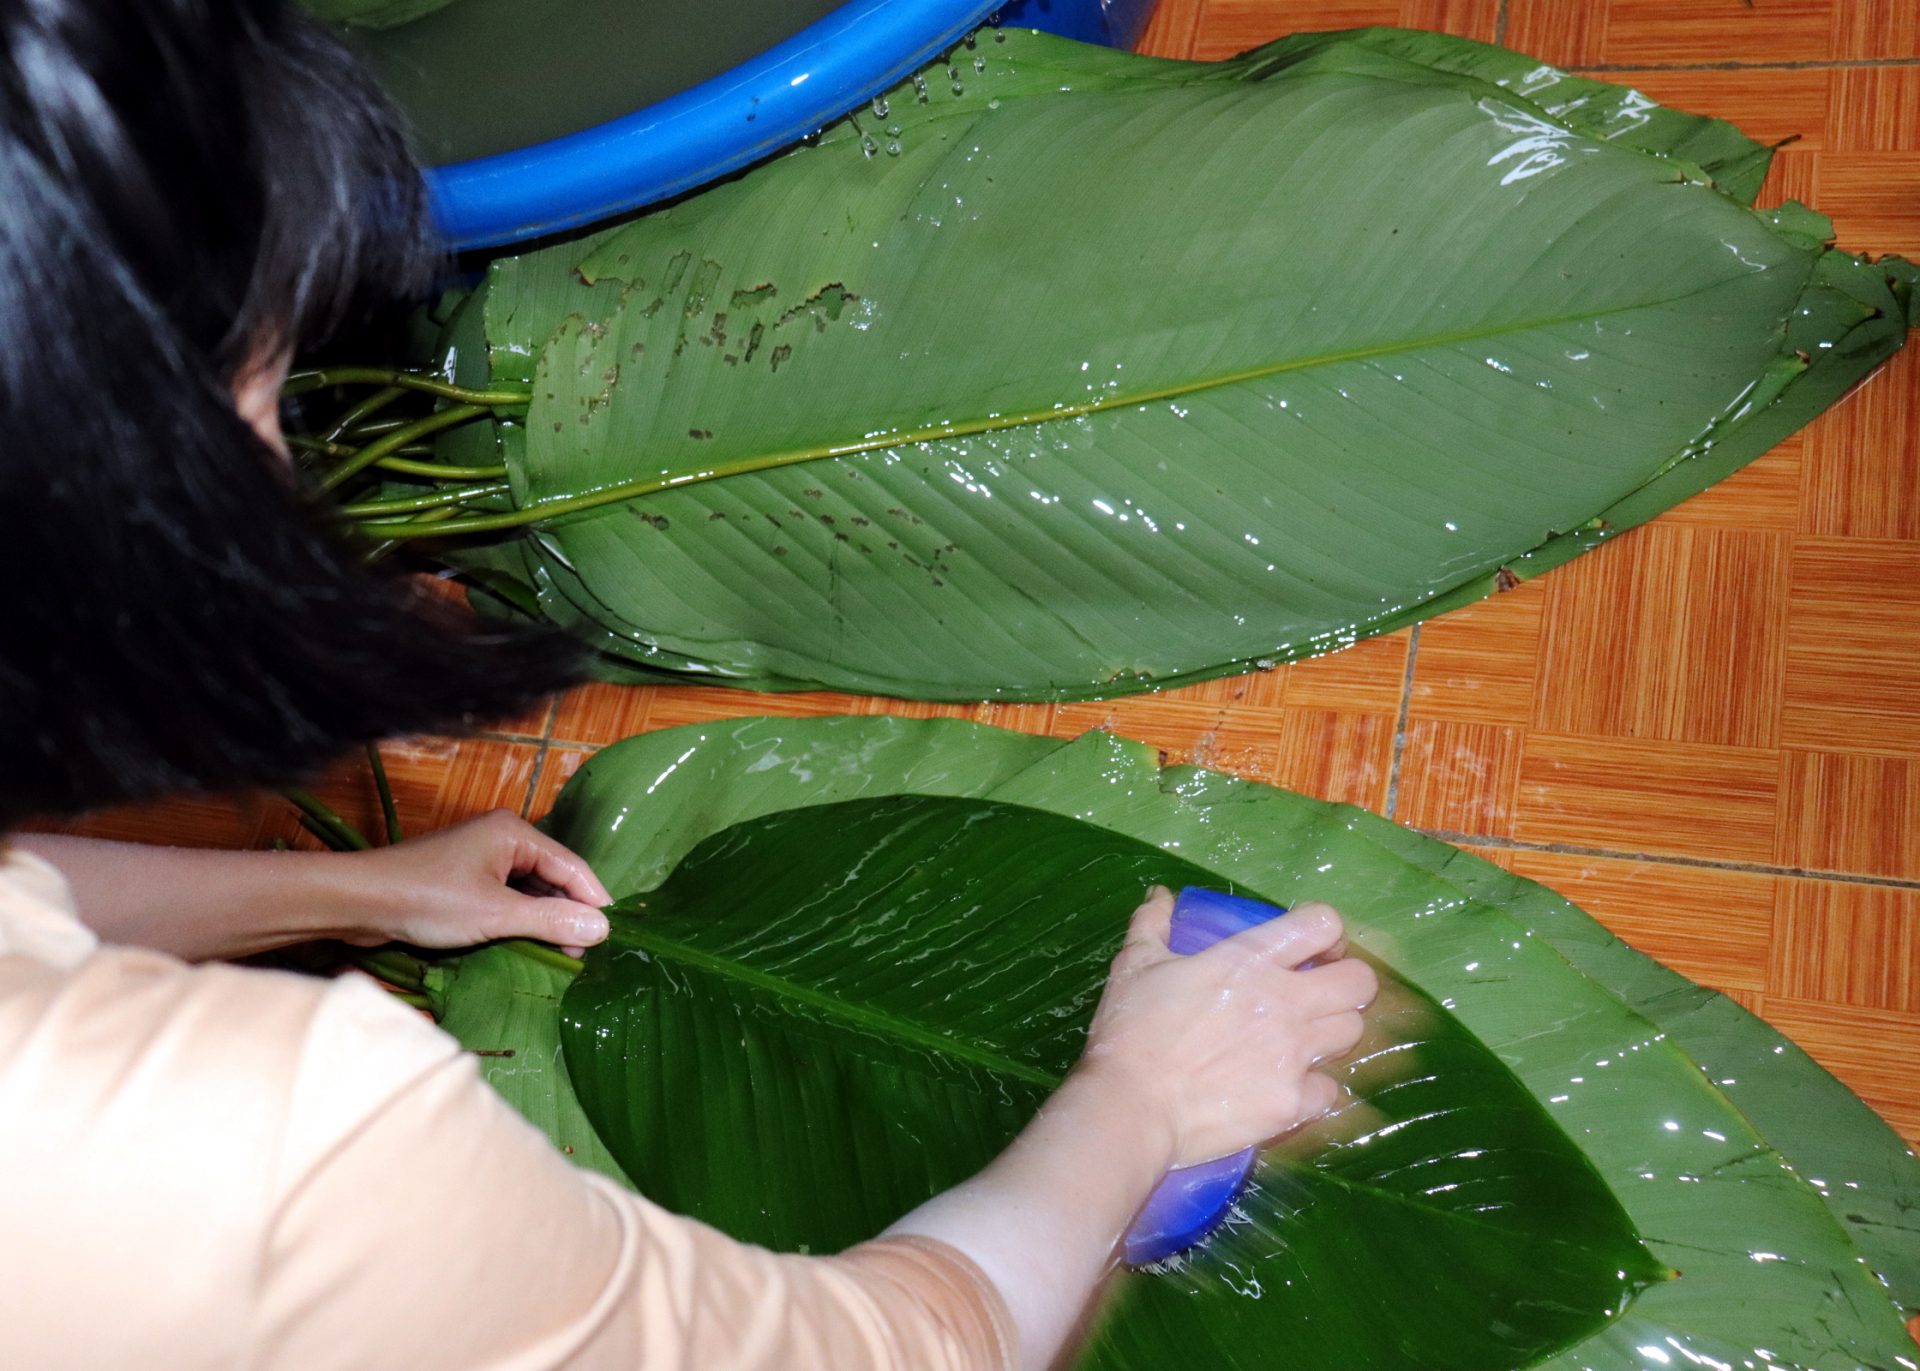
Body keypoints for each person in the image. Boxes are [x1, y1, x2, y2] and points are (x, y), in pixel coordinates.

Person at [0, 0, 1380, 1367]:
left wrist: (359, 890)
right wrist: (1141, 1101)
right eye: (255, 402)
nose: (290, 480)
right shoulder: (242, 1152)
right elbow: (885, 1353)